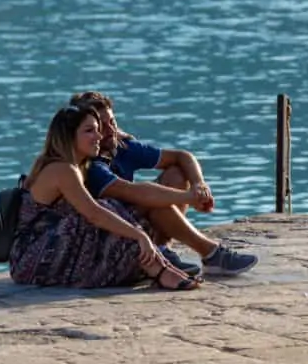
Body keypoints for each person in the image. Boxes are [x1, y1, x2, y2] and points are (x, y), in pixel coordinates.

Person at [9, 105, 199, 290]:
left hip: (56, 248)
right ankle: (160, 271)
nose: (99, 136)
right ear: (69, 137)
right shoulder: (62, 169)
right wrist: (139, 235)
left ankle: (156, 265)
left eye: (98, 130)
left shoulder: (78, 166)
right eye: (90, 131)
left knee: (122, 212)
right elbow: (94, 214)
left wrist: (118, 136)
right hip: (32, 258)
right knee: (106, 208)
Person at [69, 91, 258, 276]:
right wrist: (190, 198)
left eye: (112, 122)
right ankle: (211, 253)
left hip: (132, 224)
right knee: (154, 202)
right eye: (101, 126)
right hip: (99, 239)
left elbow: (182, 156)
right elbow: (133, 193)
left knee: (177, 173)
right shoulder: (88, 164)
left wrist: (199, 185)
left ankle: (163, 248)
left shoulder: (119, 146)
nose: (110, 130)